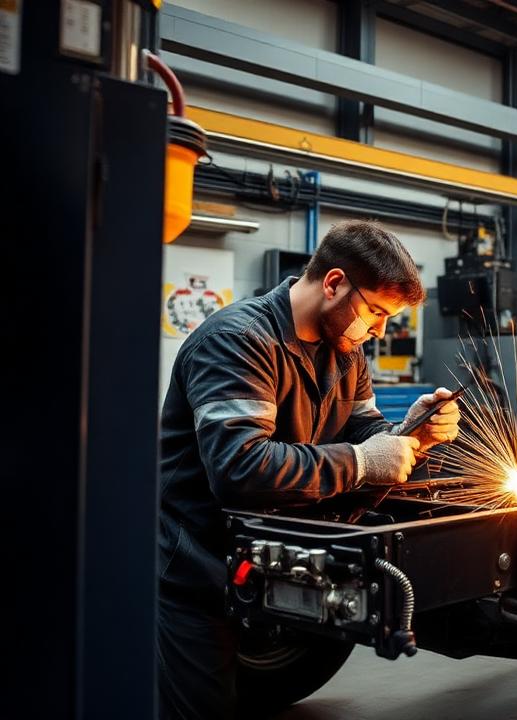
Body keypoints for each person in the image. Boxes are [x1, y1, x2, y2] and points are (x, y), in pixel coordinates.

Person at [156, 220, 461, 719]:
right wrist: (363, 462)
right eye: (376, 312)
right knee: (201, 706)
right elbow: (241, 467)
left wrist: (410, 432)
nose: (380, 331)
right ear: (334, 283)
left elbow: (363, 430)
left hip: (280, 548)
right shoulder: (238, 340)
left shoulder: (346, 352)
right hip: (200, 563)